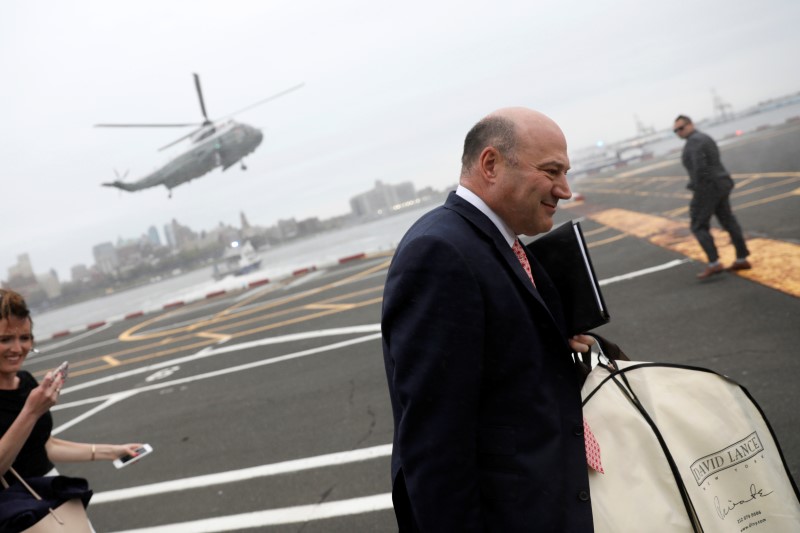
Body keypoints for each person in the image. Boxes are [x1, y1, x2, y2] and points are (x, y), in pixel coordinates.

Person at [381, 107, 597, 532]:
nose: (565, 190)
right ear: (491, 164)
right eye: (551, 171)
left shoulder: (494, 241)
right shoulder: (440, 253)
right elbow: (435, 444)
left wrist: (552, 344)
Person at [0, 288, 143, 481]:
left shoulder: (26, 382)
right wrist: (31, 412)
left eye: (24, 338)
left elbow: (45, 446)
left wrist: (111, 452)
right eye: (5, 339)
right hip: (15, 505)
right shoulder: (32, 402)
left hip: (48, 494)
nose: (17, 348)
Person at [673, 115, 751, 279]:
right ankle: (742, 258)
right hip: (721, 183)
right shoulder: (704, 137)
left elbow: (700, 167)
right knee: (728, 220)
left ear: (691, 124)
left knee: (698, 225)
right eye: (676, 130)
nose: (679, 132)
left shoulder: (694, 141)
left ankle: (714, 263)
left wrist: (696, 185)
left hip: (708, 187)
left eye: (681, 128)